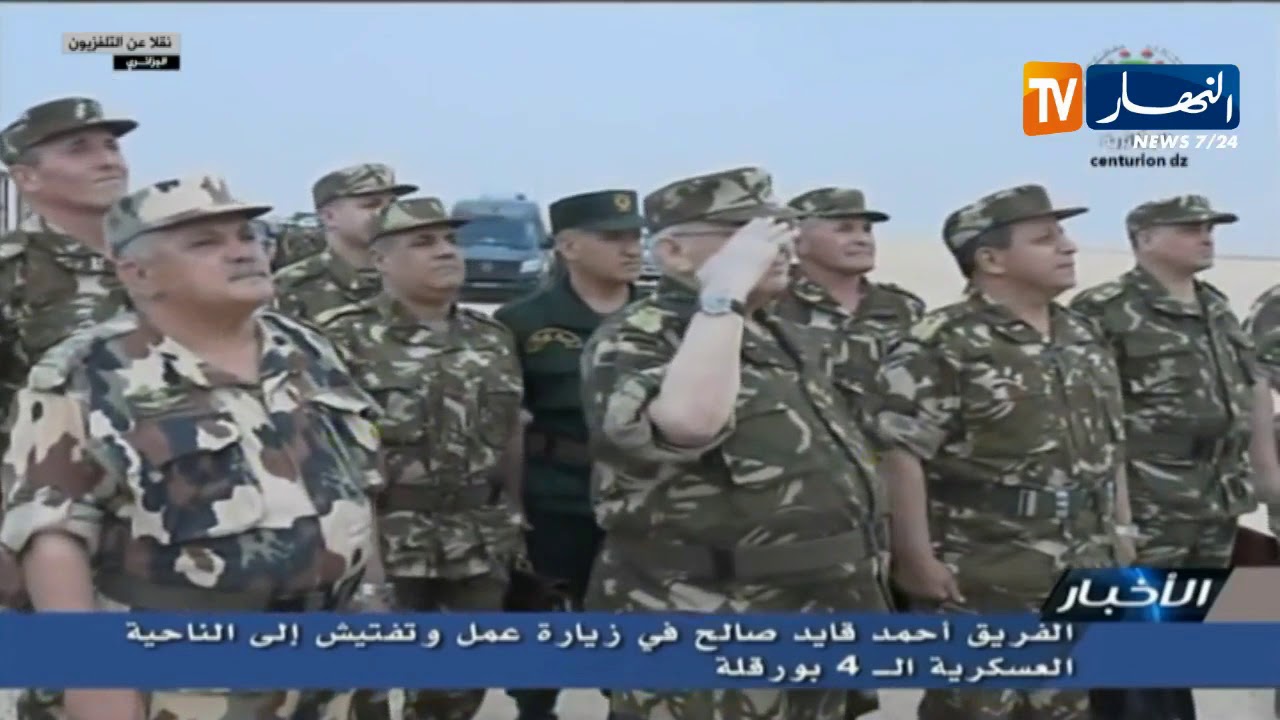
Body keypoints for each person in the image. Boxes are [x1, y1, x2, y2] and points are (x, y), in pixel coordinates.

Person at [0, 174, 389, 720]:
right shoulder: (88, 374)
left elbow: (354, 485)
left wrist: (371, 598)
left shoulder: (304, 347)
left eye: (247, 235)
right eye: (205, 243)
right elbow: (50, 534)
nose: (242, 252)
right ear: (137, 273)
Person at [581, 166, 889, 720]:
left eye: (779, 230)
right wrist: (723, 292)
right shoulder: (641, 334)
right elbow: (687, 424)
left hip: (816, 609)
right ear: (674, 253)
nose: (776, 246)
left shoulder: (777, 331)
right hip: (710, 616)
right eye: (747, 233)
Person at [872, 184, 1134, 720]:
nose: (1069, 247)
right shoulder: (942, 341)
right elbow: (899, 453)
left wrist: (1123, 530)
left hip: (1083, 560)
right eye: (1045, 239)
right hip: (984, 568)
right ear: (990, 260)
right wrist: (915, 559)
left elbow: (1111, 444)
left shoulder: (1082, 335)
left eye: (1062, 234)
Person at [1072, 195, 1280, 720]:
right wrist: (1115, 515)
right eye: (1189, 229)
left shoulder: (1216, 307)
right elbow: (1092, 417)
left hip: (1213, 501)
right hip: (1147, 499)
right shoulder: (1104, 309)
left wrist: (1266, 474)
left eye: (1209, 228)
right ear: (1145, 239)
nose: (1206, 237)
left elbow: (1252, 387)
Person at [318, 197, 526, 720]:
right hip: (384, 538)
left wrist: (515, 515)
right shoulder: (339, 337)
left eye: (451, 241)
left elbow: (509, 436)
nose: (446, 252)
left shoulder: (491, 337)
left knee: (459, 688)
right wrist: (363, 568)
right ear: (380, 260)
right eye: (423, 242)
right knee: (361, 691)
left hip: (476, 540)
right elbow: (326, 456)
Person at [494, 188, 646, 720]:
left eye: (636, 236)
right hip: (558, 496)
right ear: (568, 246)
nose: (632, 248)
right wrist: (513, 506)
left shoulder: (663, 317)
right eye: (613, 237)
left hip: (646, 501)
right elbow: (507, 421)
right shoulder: (522, 321)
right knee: (541, 623)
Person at [773, 187, 923, 718]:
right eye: (843, 227)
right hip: (808, 498)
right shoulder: (773, 306)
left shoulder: (901, 308)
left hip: (892, 490)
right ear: (797, 238)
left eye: (866, 228)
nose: (861, 238)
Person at [0, 96, 138, 608]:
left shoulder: (163, 256)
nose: (108, 160)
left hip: (187, 522)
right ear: (27, 177)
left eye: (111, 145)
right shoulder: (13, 271)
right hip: (57, 530)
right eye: (79, 149)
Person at [273, 163, 417, 320]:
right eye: (371, 205)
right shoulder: (291, 285)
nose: (388, 212)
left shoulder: (419, 273)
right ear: (329, 217)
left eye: (392, 203)